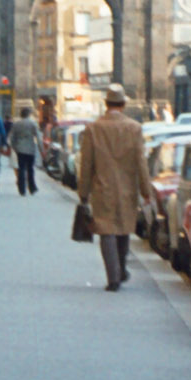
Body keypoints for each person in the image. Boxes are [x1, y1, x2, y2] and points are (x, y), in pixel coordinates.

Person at [78, 84, 154, 291]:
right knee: (123, 229)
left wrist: (83, 193)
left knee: (106, 232)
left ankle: (113, 277)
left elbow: (87, 164)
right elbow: (141, 163)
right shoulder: (134, 128)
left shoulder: (94, 128)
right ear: (123, 104)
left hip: (102, 188)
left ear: (106, 104)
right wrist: (146, 191)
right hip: (128, 187)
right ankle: (120, 269)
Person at [9, 107, 42, 196]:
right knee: (30, 169)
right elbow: (38, 137)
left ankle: (21, 189)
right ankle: (32, 188)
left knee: (21, 168)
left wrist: (14, 147)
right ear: (29, 114)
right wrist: (41, 149)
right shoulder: (33, 123)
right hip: (30, 149)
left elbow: (12, 137)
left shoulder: (16, 124)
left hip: (20, 149)